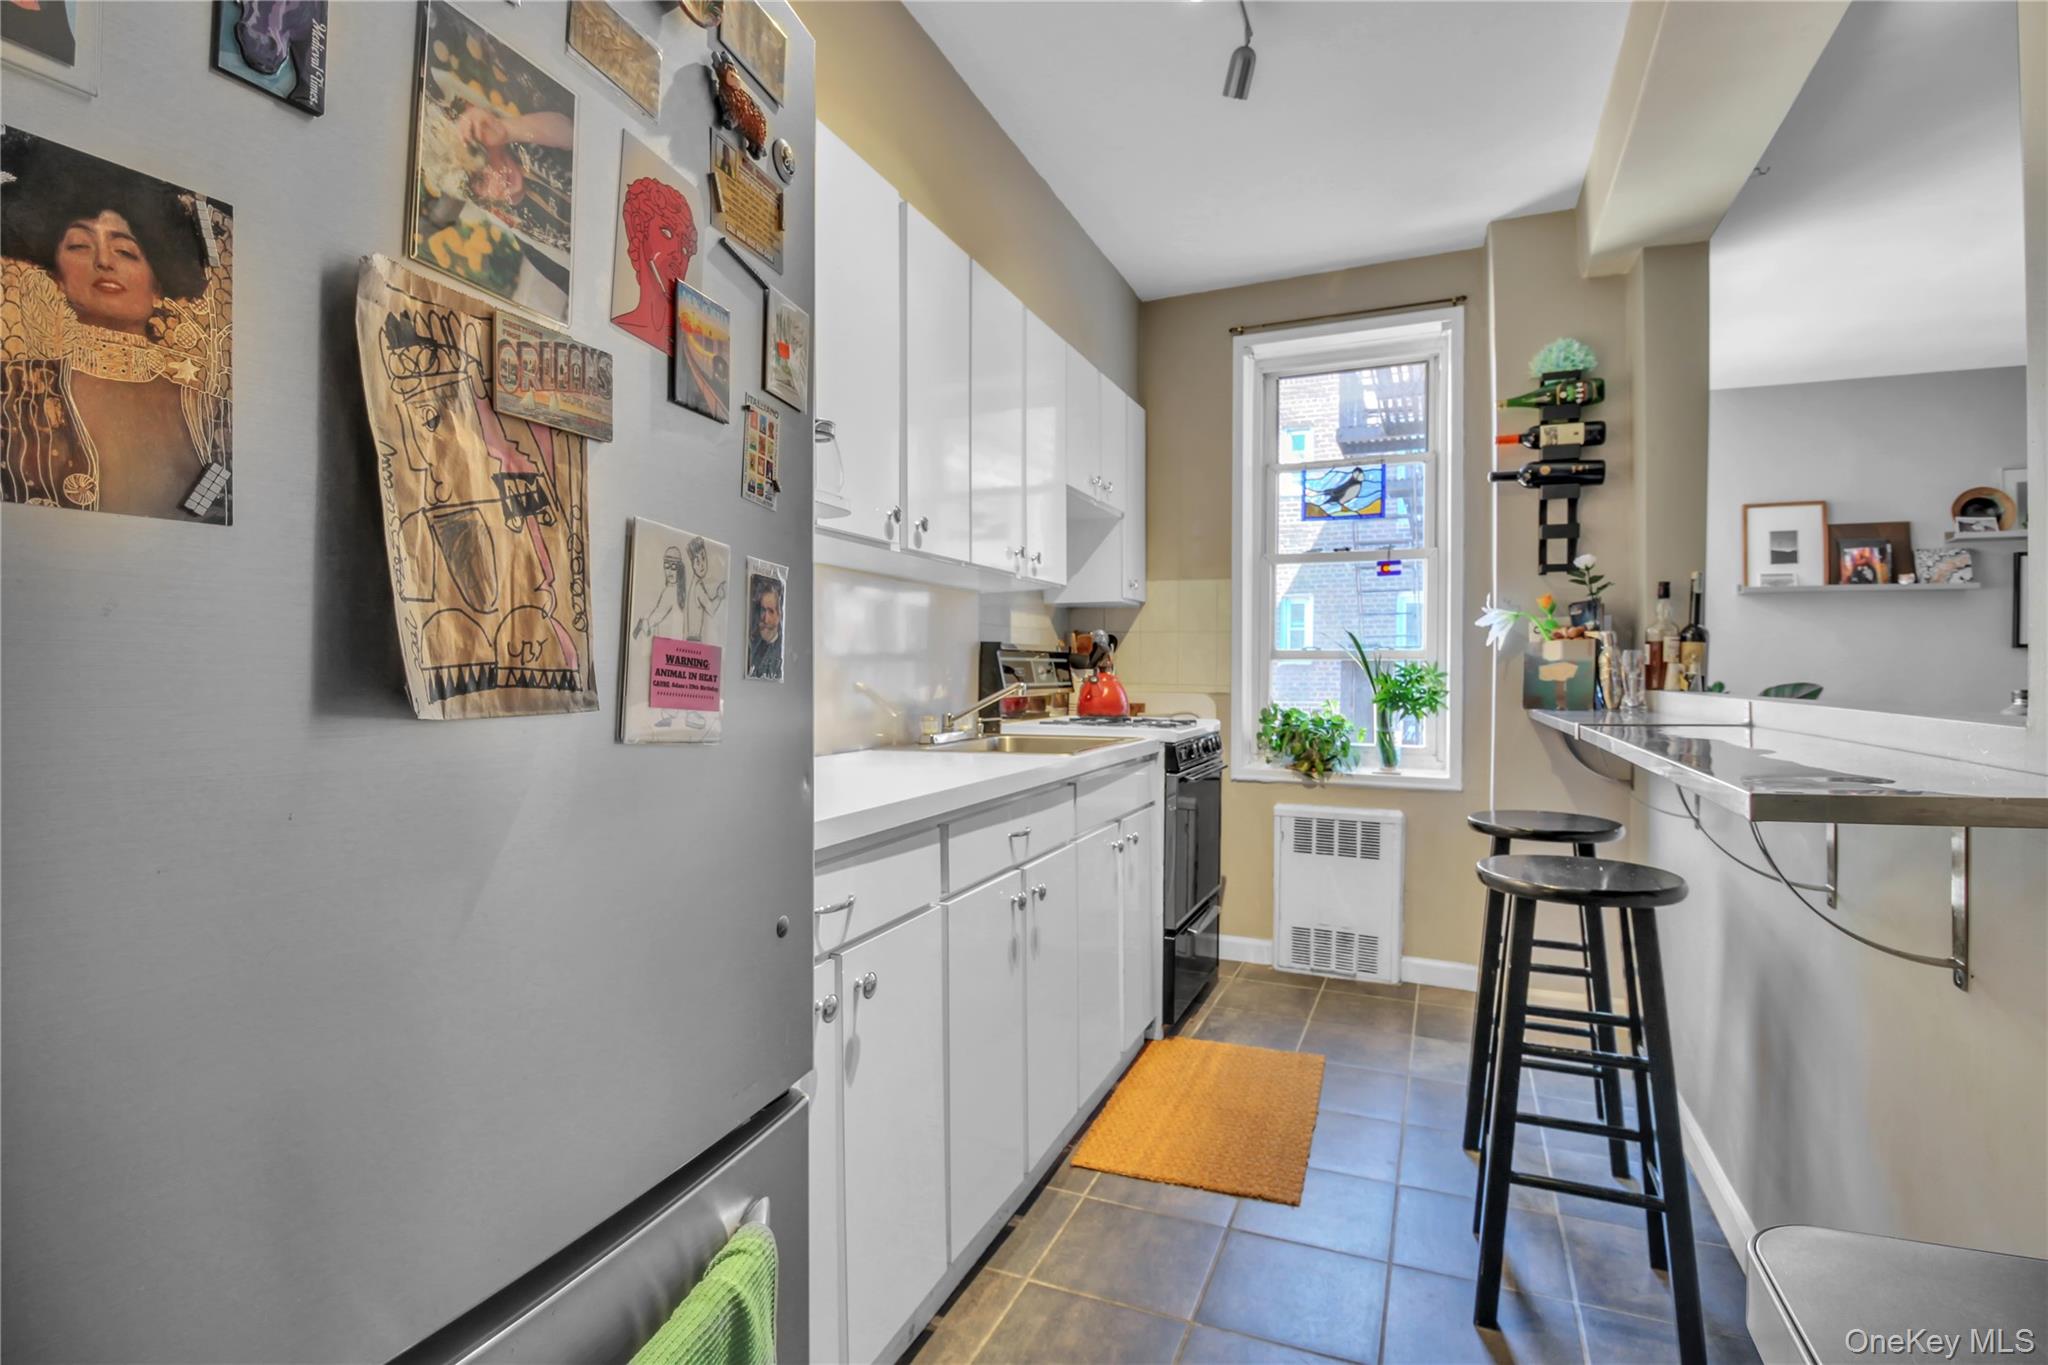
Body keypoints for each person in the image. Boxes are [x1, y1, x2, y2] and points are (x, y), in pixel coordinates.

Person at [1, 130, 231, 522]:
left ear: (159, 285)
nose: (104, 261)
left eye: (125, 251)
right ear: (57, 276)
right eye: (79, 245)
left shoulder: (213, 414)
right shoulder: (14, 393)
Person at [610, 175, 698, 354]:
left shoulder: (689, 351)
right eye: (666, 232)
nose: (678, 255)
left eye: (685, 248)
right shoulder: (617, 327)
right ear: (638, 226)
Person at [748, 576, 783, 681]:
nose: (765, 619)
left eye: (771, 611)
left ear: (779, 615)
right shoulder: (754, 645)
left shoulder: (780, 652)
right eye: (763, 610)